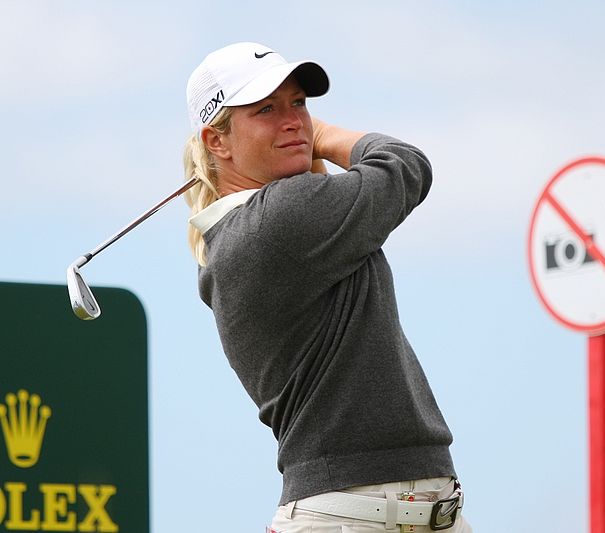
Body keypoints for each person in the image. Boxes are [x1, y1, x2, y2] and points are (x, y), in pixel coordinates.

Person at [182, 42, 472, 532]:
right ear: (217, 142)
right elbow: (404, 165)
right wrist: (324, 136)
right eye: (266, 110)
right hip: (354, 515)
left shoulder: (240, 234)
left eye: (299, 104)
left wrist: (295, 141)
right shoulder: (283, 214)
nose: (293, 120)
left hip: (402, 511)